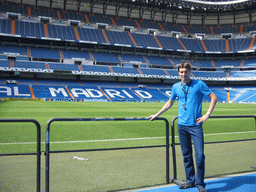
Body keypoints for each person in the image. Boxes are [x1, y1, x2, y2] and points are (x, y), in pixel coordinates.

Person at [149, 62, 217, 192]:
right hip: (182, 126)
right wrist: (157, 114)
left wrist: (207, 114)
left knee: (200, 156)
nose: (183, 74)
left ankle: (200, 184)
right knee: (186, 155)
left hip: (196, 126)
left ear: (190, 72)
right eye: (181, 72)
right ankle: (190, 181)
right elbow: (170, 103)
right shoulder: (175, 87)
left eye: (186, 72)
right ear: (178, 73)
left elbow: (214, 97)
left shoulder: (199, 84)